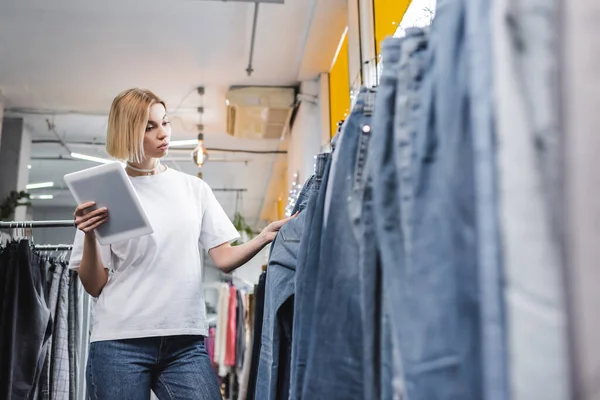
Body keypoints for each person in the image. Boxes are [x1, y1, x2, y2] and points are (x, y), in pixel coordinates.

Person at [69, 88, 294, 400]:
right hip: (120, 340)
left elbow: (223, 258)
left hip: (184, 342)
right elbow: (94, 285)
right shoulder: (105, 191)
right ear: (127, 132)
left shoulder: (193, 189)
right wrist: (91, 235)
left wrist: (264, 237)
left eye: (165, 122)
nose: (163, 133)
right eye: (150, 127)